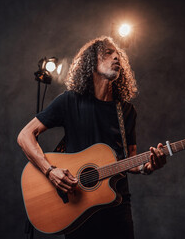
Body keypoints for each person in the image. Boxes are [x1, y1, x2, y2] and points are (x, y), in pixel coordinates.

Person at [17, 36, 166, 239]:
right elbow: (25, 135)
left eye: (118, 55)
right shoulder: (69, 101)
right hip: (77, 204)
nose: (116, 57)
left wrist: (147, 166)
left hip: (117, 205)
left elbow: (130, 159)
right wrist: (50, 171)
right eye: (108, 52)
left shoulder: (127, 111)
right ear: (91, 62)